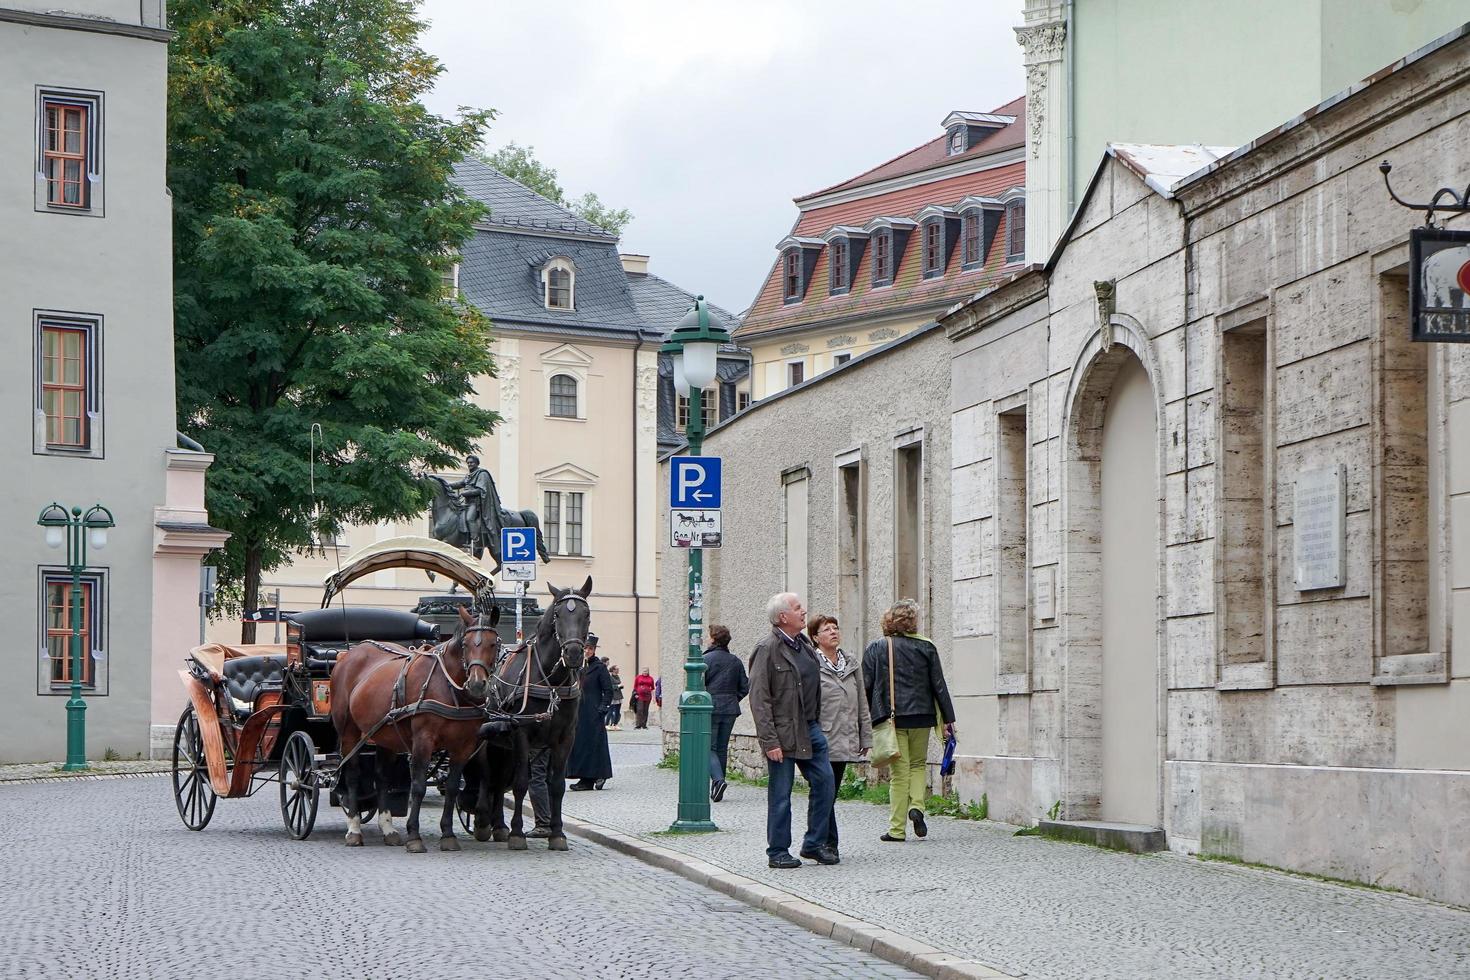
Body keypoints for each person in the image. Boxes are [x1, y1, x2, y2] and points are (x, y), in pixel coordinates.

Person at [748, 592, 837, 868]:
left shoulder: (805, 645)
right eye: (798, 608)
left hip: (810, 728)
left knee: (825, 784)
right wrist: (769, 740)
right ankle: (777, 851)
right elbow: (759, 698)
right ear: (783, 617)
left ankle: (813, 844)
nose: (804, 611)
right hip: (782, 734)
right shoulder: (767, 648)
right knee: (781, 794)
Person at [863, 599, 956, 843]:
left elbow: (866, 685)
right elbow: (939, 684)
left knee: (899, 773)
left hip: (892, 718)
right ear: (913, 622)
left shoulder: (878, 647)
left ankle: (896, 829)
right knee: (918, 765)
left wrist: (864, 718)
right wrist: (948, 718)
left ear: (889, 621)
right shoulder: (927, 646)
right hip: (923, 716)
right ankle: (917, 807)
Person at [808, 613, 870, 860]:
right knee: (824, 790)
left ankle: (823, 842)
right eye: (827, 629)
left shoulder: (851, 663)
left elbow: (862, 702)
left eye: (835, 627)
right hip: (822, 737)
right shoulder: (812, 663)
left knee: (829, 792)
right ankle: (824, 842)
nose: (833, 632)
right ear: (815, 637)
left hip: (845, 737)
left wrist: (865, 736)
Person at [703, 624, 749, 803]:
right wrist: (733, 699)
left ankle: (718, 780)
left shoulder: (706, 659)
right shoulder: (735, 660)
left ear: (713, 639)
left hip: (711, 707)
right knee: (721, 747)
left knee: (708, 747)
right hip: (730, 708)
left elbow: (698, 685)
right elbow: (745, 686)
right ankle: (718, 785)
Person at [567, 634, 614, 790]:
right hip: (579, 711)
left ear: (594, 650)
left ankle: (597, 776)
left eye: (590, 648)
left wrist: (602, 708)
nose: (587, 651)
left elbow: (608, 690)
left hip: (593, 711)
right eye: (585, 648)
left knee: (595, 744)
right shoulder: (577, 667)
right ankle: (585, 777)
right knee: (581, 744)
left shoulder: (599, 667)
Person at [605, 662, 624, 730]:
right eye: (617, 669)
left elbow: (618, 683)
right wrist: (617, 686)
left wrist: (620, 686)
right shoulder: (610, 677)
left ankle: (615, 724)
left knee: (617, 711)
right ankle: (606, 724)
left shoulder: (617, 676)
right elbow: (610, 686)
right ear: (613, 670)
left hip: (619, 695)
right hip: (613, 695)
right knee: (610, 710)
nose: (618, 670)